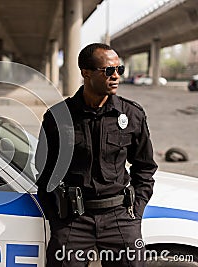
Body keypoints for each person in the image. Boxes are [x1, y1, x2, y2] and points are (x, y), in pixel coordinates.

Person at [35, 43, 158, 267]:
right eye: (108, 71)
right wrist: (58, 219)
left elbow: (145, 167)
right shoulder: (58, 117)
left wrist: (135, 211)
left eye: (119, 70)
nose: (116, 76)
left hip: (120, 218)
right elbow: (44, 171)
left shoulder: (131, 115)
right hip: (73, 220)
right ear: (86, 72)